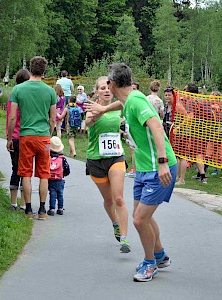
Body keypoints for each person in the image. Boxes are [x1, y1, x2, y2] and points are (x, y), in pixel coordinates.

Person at [86, 63, 177, 282]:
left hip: (158, 167)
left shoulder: (136, 101)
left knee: (138, 220)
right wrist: (104, 109)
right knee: (142, 216)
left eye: (108, 82)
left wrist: (163, 161)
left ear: (113, 83)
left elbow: (156, 126)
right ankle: (160, 255)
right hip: (145, 168)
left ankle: (149, 264)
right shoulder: (129, 99)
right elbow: (121, 103)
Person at [85, 75, 131, 254]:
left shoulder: (120, 106)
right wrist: (96, 114)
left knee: (119, 198)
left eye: (107, 87)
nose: (105, 90)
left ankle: (125, 238)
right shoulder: (92, 107)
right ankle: (115, 223)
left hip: (116, 157)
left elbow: (128, 103)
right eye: (101, 88)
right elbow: (87, 122)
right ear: (97, 91)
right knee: (109, 200)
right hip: (96, 159)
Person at [7, 56, 57, 220]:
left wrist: (9, 138)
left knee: (26, 173)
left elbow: (12, 117)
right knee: (44, 174)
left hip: (26, 137)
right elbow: (52, 118)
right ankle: (42, 210)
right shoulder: (50, 91)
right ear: (44, 71)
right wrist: (48, 134)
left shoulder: (18, 90)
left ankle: (28, 210)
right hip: (43, 137)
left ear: (30, 68)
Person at [7, 69, 30, 212]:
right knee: (25, 171)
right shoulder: (28, 96)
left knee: (15, 169)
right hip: (27, 136)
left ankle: (13, 202)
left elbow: (11, 117)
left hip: (14, 137)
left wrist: (8, 137)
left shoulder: (13, 95)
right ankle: (24, 203)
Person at [48, 136, 70, 216]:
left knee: (52, 194)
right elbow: (67, 169)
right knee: (60, 194)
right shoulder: (62, 159)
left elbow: (46, 149)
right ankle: (60, 208)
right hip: (59, 179)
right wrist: (64, 174)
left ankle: (52, 209)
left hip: (50, 179)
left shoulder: (48, 157)